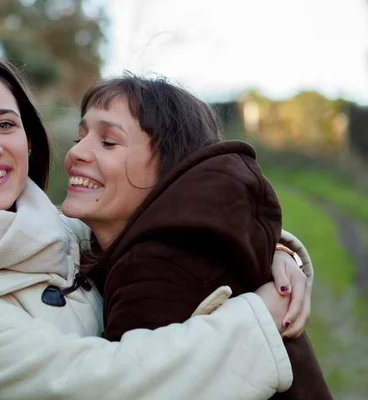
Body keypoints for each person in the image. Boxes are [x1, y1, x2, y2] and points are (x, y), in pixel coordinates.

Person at [0, 45, 310, 400]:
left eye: (4, 124)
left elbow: (167, 222)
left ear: (26, 138)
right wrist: (257, 322)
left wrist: (275, 252)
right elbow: (94, 386)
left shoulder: (60, 235)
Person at [62, 75, 331, 399]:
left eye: (108, 142)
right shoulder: (191, 248)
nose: (77, 152)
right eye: (81, 136)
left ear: (171, 167)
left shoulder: (158, 268)